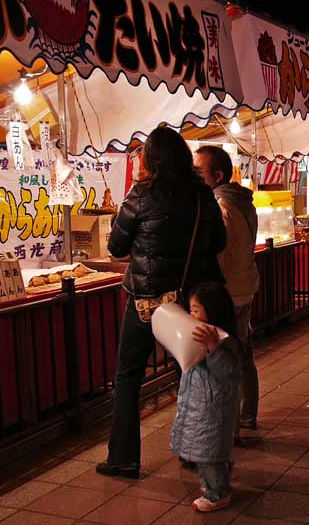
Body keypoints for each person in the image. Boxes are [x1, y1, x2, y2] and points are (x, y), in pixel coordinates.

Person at [96, 127, 227, 480]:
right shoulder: (202, 195)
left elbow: (117, 248)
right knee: (195, 373)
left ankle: (123, 458)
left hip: (145, 303)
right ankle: (196, 451)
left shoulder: (140, 195)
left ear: (150, 159)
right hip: (190, 302)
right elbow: (219, 242)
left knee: (128, 377)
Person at [193, 146, 260, 436]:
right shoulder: (245, 202)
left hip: (227, 292)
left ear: (217, 175)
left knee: (223, 358)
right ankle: (246, 415)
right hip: (246, 285)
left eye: (199, 171)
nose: (195, 175)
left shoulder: (220, 206)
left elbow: (218, 253)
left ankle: (229, 427)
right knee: (243, 352)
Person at [171, 282, 243, 513]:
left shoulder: (226, 341)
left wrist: (214, 349)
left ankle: (218, 493)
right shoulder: (197, 339)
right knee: (204, 453)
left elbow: (229, 372)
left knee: (209, 454)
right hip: (197, 407)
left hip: (213, 411)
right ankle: (212, 483)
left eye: (195, 310)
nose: (191, 315)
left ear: (213, 311)